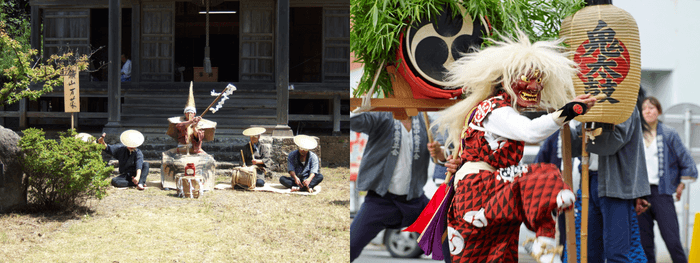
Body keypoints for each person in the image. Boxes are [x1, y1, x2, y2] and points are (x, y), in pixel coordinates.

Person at [434, 31, 597, 263]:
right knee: (544, 176)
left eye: (539, 79)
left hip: (490, 194)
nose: (534, 85)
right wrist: (569, 111)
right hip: (479, 193)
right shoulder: (495, 108)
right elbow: (530, 131)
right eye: (527, 77)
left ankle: (544, 243)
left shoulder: (493, 109)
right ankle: (544, 245)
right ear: (505, 79)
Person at [567, 88, 652, 263]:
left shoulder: (625, 105)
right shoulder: (590, 105)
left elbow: (613, 142)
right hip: (589, 182)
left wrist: (585, 131)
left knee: (617, 252)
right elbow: (574, 147)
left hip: (616, 185)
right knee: (588, 251)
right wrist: (563, 119)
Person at [350, 111, 438, 262]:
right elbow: (354, 122)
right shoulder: (381, 115)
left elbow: (444, 148)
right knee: (350, 245)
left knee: (448, 236)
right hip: (381, 201)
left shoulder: (426, 120)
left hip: (416, 201)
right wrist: (366, 105)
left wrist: (440, 153)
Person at [638, 96, 697, 263]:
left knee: (672, 241)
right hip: (640, 194)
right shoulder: (636, 135)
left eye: (651, 108)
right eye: (644, 109)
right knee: (645, 244)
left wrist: (680, 185)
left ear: (659, 111)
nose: (648, 111)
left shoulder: (669, 133)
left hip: (661, 193)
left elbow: (688, 163)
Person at [167, 83, 211, 154]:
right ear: (185, 113)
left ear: (194, 113)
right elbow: (179, 127)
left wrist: (194, 127)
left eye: (191, 112)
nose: (189, 113)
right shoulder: (181, 122)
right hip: (182, 148)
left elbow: (199, 136)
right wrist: (190, 122)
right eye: (188, 112)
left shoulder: (200, 122)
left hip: (195, 149)